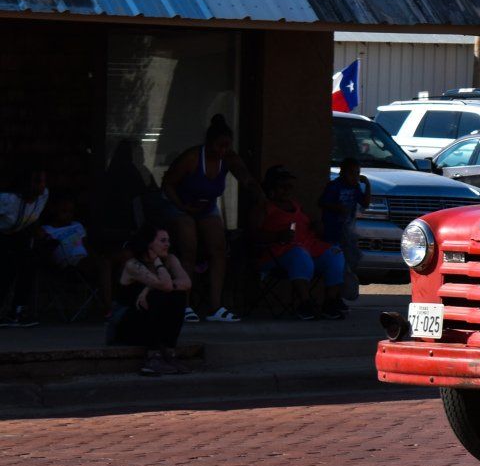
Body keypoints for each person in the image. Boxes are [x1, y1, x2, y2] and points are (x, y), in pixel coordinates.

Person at [161, 115, 259, 323]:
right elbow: (168, 184)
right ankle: (184, 305)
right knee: (189, 248)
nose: (222, 150)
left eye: (227, 146)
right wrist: (182, 206)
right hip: (181, 204)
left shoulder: (229, 158)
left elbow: (246, 178)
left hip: (207, 207)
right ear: (209, 143)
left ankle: (216, 306)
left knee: (219, 250)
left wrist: (260, 195)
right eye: (219, 146)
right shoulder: (193, 158)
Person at [250, 166, 347, 321]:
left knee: (335, 253)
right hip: (278, 254)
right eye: (282, 187)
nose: (287, 190)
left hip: (307, 248)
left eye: (290, 186)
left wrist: (316, 226)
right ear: (271, 188)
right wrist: (277, 235)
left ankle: (330, 301)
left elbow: (310, 226)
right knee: (299, 255)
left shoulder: (295, 205)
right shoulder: (264, 207)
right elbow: (252, 235)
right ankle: (305, 303)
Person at [111, 225, 190, 376]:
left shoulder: (171, 259)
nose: (167, 244)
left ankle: (169, 353)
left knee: (178, 296)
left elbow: (186, 283)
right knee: (159, 295)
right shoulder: (133, 265)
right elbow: (166, 286)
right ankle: (152, 358)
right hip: (126, 325)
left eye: (168, 240)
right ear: (149, 244)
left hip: (149, 323)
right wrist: (157, 264)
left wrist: (148, 289)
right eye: (162, 240)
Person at [0, 167, 49, 327]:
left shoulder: (43, 196)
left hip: (19, 234)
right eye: (38, 181)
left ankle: (18, 309)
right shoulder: (8, 200)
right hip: (2, 233)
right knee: (8, 268)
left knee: (28, 264)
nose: (42, 185)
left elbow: (33, 218)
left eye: (43, 181)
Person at [317, 159, 369, 302]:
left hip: (347, 232)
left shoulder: (355, 187)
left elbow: (365, 203)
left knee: (349, 263)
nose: (355, 176)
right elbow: (322, 202)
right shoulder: (334, 186)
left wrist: (367, 184)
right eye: (352, 173)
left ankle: (340, 295)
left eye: (358, 173)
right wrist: (336, 208)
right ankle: (333, 297)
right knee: (337, 264)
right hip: (333, 231)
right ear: (343, 173)